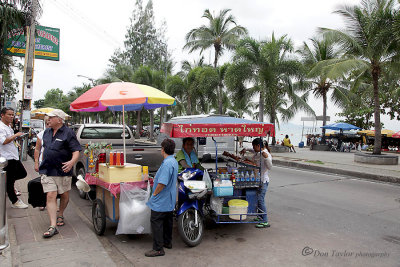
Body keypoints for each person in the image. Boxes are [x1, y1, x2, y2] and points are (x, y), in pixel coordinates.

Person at [39, 109, 81, 238]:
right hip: (47, 169)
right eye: (48, 118)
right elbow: (41, 148)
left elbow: (76, 151)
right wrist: (37, 161)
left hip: (62, 170)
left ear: (59, 119)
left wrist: (71, 163)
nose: (48, 120)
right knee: (51, 195)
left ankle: (61, 213)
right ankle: (53, 225)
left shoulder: (68, 133)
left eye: (51, 117)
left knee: (64, 195)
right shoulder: (46, 132)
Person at [145, 138, 178, 257]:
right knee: (167, 220)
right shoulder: (173, 161)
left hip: (162, 199)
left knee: (156, 221)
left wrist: (154, 194)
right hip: (169, 198)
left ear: (163, 149)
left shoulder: (167, 164)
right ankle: (167, 242)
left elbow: (162, 183)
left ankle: (158, 248)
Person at [240, 138, 272, 228]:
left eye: (254, 146)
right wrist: (245, 149)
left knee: (260, 200)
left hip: (263, 181)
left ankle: (265, 220)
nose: (253, 148)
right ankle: (260, 216)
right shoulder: (258, 152)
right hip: (258, 180)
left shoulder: (266, 154)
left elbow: (270, 167)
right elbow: (251, 149)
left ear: (258, 146)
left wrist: (266, 158)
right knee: (258, 199)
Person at [0, 107, 28, 209]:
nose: (12, 116)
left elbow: (10, 140)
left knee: (22, 173)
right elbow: (4, 141)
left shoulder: (9, 127)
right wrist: (16, 135)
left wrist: (16, 141)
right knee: (10, 181)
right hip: (6, 157)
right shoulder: (1, 127)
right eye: (9, 114)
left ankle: (5, 184)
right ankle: (15, 201)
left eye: (13, 115)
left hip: (13, 156)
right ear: (2, 115)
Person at [34, 116, 50, 211]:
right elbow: (37, 149)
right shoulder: (41, 135)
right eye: (47, 123)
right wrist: (36, 163)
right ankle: (42, 202)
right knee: (44, 183)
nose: (49, 125)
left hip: (55, 164)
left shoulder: (59, 135)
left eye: (50, 123)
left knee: (53, 185)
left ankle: (52, 202)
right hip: (43, 162)